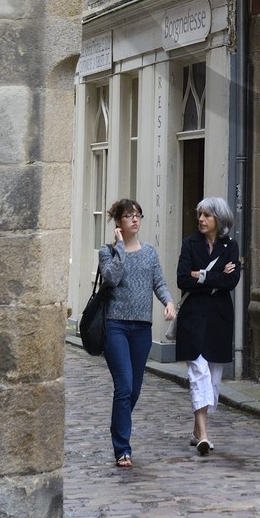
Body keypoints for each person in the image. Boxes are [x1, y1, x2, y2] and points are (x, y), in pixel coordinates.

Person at [98, 198, 176, 468]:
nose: (135, 219)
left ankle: (118, 424)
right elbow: (112, 278)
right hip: (115, 325)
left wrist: (168, 302)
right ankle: (122, 448)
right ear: (118, 222)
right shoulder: (107, 252)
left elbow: (159, 283)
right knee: (124, 386)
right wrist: (119, 247)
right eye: (129, 216)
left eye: (138, 215)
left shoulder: (150, 252)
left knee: (135, 391)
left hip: (141, 327)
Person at [175, 197, 241, 455]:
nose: (201, 219)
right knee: (198, 373)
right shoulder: (189, 244)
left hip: (219, 319)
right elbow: (182, 279)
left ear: (219, 220)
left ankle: (195, 430)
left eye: (207, 216)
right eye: (199, 214)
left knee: (213, 378)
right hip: (193, 318)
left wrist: (199, 274)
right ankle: (203, 435)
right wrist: (214, 277)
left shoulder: (230, 246)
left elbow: (231, 281)